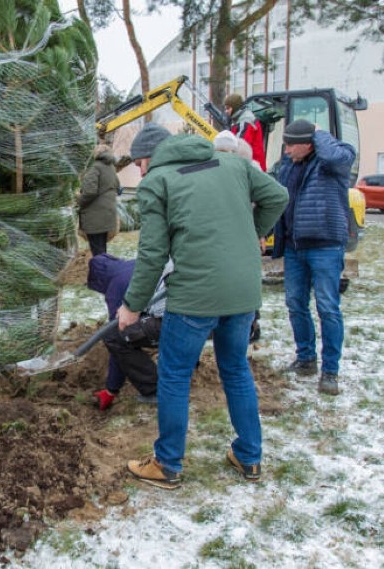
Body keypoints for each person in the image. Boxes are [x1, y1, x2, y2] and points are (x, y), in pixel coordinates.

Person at [120, 123, 288, 490]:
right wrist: (254, 232)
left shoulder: (157, 182)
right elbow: (278, 196)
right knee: (236, 369)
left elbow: (151, 253)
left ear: (149, 157)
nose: (140, 172)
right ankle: (249, 457)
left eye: (138, 164)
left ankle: (167, 464)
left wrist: (132, 305)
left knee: (175, 374)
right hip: (243, 290)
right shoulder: (233, 164)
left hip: (195, 295)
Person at [272, 119, 356, 396]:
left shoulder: (333, 163)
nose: (285, 150)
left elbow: (336, 155)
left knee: (327, 307)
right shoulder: (289, 166)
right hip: (295, 247)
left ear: (308, 143)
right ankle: (306, 358)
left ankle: (330, 370)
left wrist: (320, 134)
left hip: (325, 246)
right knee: (295, 303)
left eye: (289, 144)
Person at [87, 253, 172, 410]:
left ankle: (156, 389)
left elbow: (118, 332)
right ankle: (187, 365)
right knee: (145, 325)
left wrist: (112, 389)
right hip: (193, 314)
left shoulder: (115, 287)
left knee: (113, 337)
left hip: (172, 319)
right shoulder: (133, 264)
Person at [78, 144, 119, 256]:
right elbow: (117, 187)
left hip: (95, 217)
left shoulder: (95, 167)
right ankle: (105, 270)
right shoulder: (111, 167)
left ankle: (100, 272)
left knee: (97, 252)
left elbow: (89, 192)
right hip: (108, 214)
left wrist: (78, 201)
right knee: (102, 249)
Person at [224, 94, 266, 171]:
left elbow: (239, 147)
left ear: (235, 107)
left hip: (251, 168)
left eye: (228, 108)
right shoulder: (242, 119)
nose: (226, 111)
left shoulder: (244, 122)